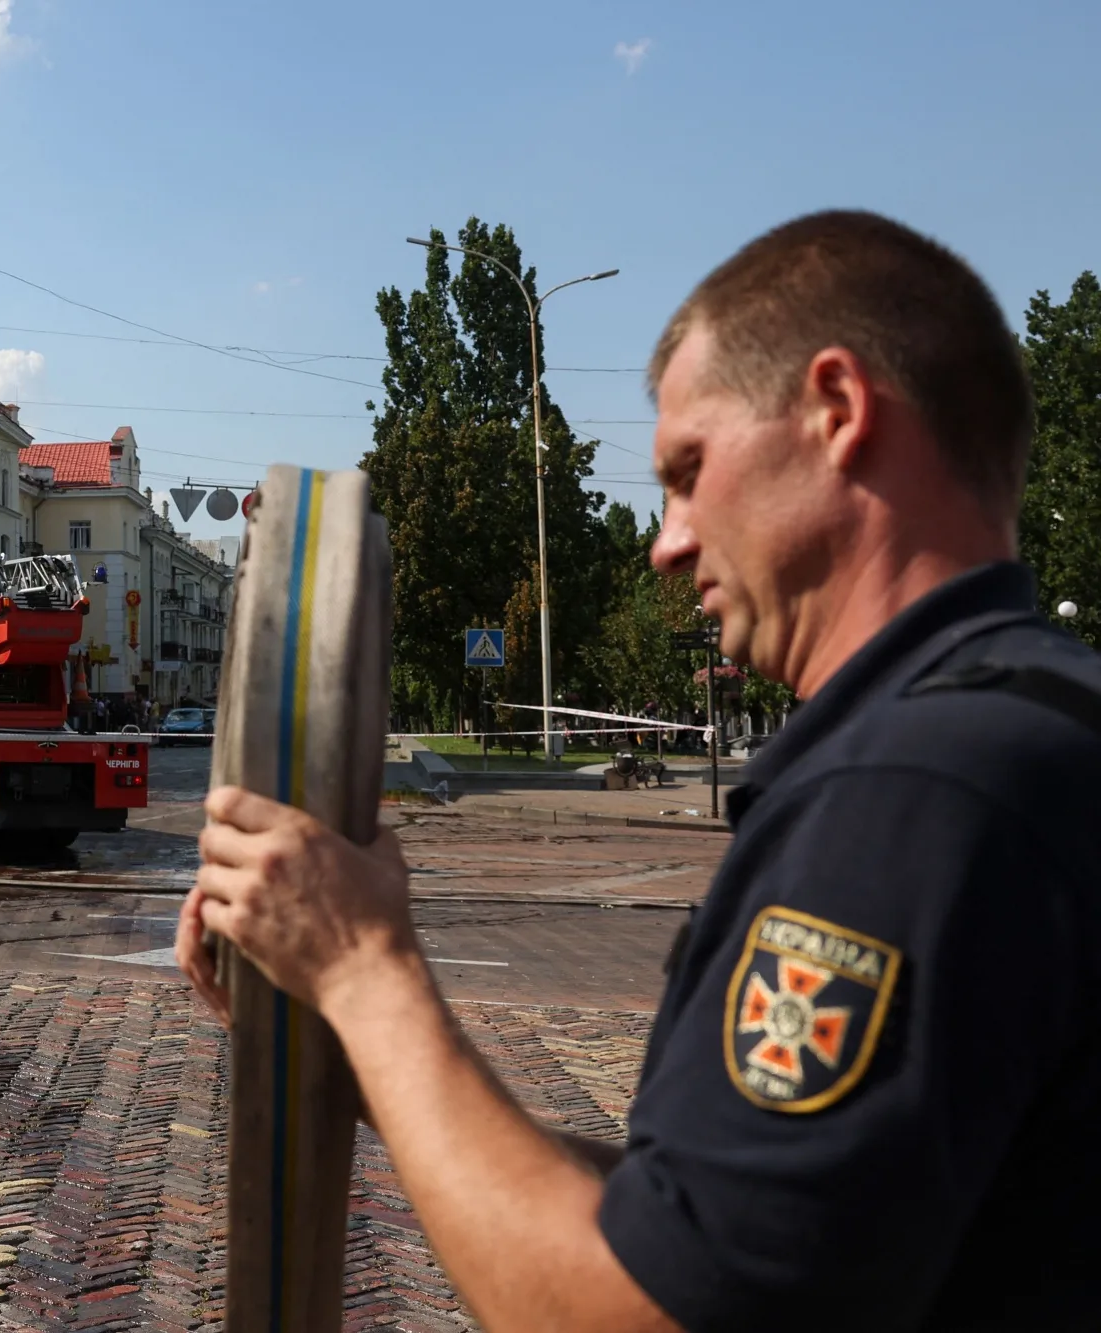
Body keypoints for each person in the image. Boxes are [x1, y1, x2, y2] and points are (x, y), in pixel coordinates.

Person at [177, 210, 1100, 1332]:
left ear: (836, 412)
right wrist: (349, 1041)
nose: (663, 541)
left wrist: (367, 968)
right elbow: (713, 1220)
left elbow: (650, 1307)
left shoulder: (914, 792)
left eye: (687, 468)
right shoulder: (1032, 724)